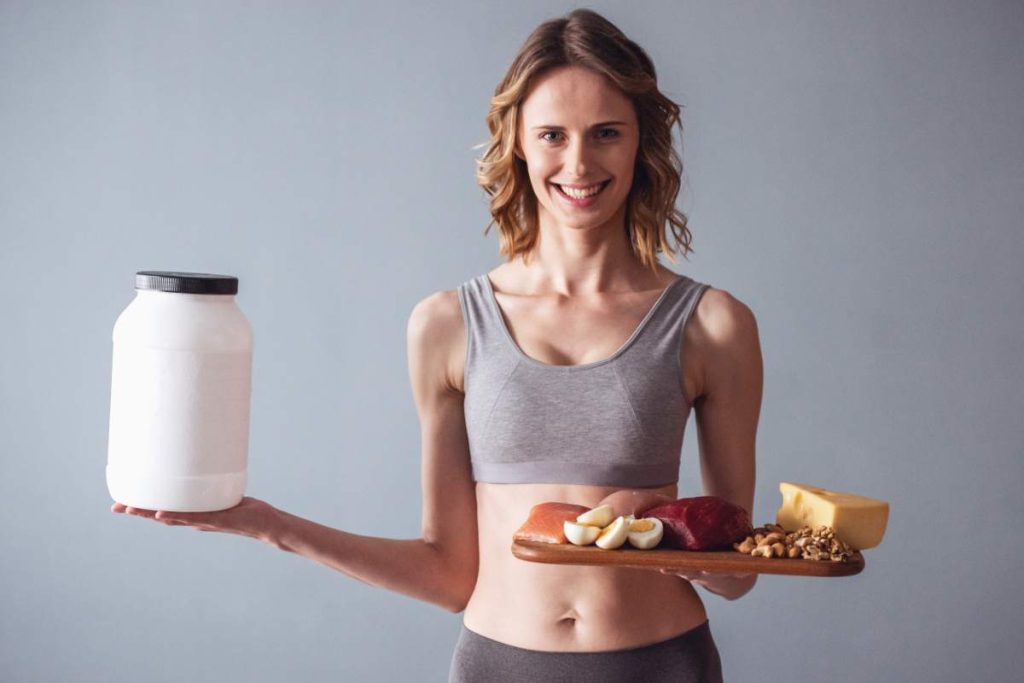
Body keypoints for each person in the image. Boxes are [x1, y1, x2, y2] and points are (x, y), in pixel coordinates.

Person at [111, 8, 763, 682]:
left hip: (661, 662)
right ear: (517, 142)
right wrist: (269, 524)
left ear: (639, 142)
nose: (578, 162)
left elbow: (736, 575)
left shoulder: (713, 325)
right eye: (552, 135)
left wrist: (649, 519)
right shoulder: (447, 324)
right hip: (497, 664)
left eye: (606, 133)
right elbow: (450, 573)